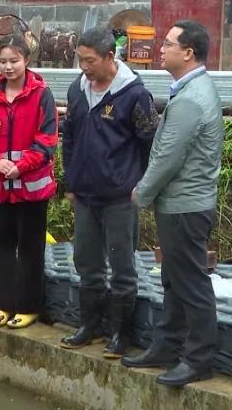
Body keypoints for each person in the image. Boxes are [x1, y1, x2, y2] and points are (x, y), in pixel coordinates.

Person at [123, 20, 223, 388]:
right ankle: (167, 346)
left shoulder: (192, 99)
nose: (160, 49)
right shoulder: (191, 89)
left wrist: (142, 192)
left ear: (188, 53)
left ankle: (198, 359)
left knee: (191, 283)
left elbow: (168, 155)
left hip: (186, 206)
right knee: (174, 279)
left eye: (168, 44)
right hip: (181, 203)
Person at [60, 26, 159, 358]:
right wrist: (71, 180)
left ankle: (120, 334)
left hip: (120, 196)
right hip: (85, 195)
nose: (84, 67)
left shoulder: (134, 95)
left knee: (122, 267)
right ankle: (89, 326)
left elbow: (150, 143)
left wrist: (140, 183)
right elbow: (69, 137)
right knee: (86, 263)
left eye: (90, 61)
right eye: (80, 60)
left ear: (109, 56)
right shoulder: (77, 89)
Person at [0, 35, 58, 330]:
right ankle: (5, 303)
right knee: (1, 245)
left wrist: (21, 166)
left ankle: (29, 306)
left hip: (31, 186)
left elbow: (47, 139)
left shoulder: (41, 94)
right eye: (3, 62)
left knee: (31, 247)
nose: (8, 67)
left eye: (14, 61)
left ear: (26, 61)